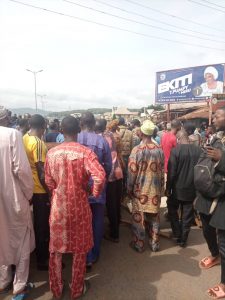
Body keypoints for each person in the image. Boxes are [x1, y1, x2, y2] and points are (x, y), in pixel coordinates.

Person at [45, 116, 105, 299]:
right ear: (78, 130)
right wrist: (93, 192)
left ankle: (56, 289)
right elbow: (100, 176)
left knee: (56, 249)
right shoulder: (85, 153)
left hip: (59, 208)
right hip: (79, 207)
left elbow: (48, 181)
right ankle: (76, 289)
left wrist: (57, 190)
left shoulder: (52, 153)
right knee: (79, 250)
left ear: (61, 130)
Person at [0, 106, 35, 300]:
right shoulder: (13, 135)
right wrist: (28, 193)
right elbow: (21, 169)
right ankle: (19, 285)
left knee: (1, 237)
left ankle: (3, 280)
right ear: (6, 119)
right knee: (21, 238)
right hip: (13, 196)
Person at [196, 109, 225, 298]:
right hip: (208, 193)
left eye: (218, 115)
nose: (213, 118)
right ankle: (214, 255)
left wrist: (221, 158)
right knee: (206, 228)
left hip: (223, 195)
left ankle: (224, 283)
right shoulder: (216, 137)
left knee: (224, 242)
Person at [78, 112, 112, 270]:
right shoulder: (101, 141)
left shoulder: (75, 139)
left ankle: (82, 254)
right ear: (93, 124)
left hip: (78, 190)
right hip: (97, 188)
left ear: (81, 124)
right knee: (96, 221)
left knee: (80, 222)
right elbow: (108, 166)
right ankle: (93, 254)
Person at [127, 120, 164, 253]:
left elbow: (132, 172)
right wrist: (162, 189)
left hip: (139, 190)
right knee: (154, 218)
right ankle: (154, 244)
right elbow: (161, 171)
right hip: (154, 190)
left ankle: (139, 244)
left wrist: (129, 189)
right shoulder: (159, 150)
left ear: (141, 133)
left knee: (139, 219)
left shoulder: (137, 150)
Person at [166, 126, 202, 247]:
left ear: (179, 138)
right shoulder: (199, 151)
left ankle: (177, 232)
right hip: (192, 189)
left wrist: (168, 189)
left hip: (177, 189)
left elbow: (171, 172)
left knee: (172, 210)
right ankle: (183, 239)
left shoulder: (176, 151)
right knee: (187, 214)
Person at [23, 114, 50, 271]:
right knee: (42, 226)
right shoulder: (38, 143)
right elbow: (42, 172)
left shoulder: (24, 138)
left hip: (27, 188)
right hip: (39, 190)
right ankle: (42, 260)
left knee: (33, 225)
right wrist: (50, 192)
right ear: (43, 127)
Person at [102, 120, 124, 243]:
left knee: (111, 205)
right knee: (116, 203)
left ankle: (114, 234)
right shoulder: (114, 136)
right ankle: (117, 224)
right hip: (118, 171)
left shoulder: (103, 137)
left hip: (110, 174)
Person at [118, 117, 133, 192]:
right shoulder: (130, 133)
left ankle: (120, 189)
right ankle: (126, 189)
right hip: (127, 155)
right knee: (127, 173)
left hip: (118, 157)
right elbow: (132, 146)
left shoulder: (115, 132)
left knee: (119, 174)